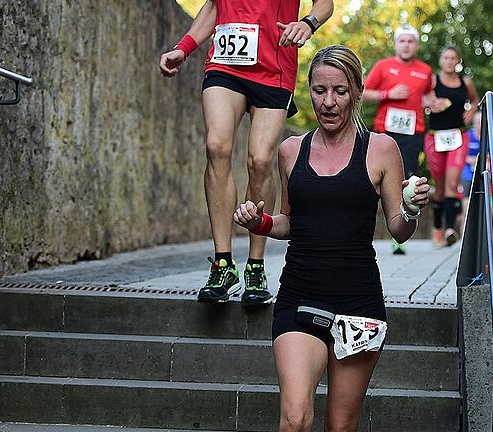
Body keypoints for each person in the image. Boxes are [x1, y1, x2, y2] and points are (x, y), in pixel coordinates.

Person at [233, 46, 430, 432]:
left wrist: (410, 208)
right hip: (299, 296)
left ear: (357, 91)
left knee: (340, 426)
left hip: (359, 304)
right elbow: (289, 222)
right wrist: (259, 222)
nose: (328, 102)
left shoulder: (382, 149)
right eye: (319, 90)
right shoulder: (291, 151)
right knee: (294, 418)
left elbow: (398, 228)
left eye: (339, 91)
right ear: (308, 91)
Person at [159, 0, 334, 306]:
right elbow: (214, 6)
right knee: (216, 146)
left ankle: (255, 265)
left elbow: (325, 3)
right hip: (225, 63)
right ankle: (223, 263)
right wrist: (184, 48)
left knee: (260, 161)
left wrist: (307, 23)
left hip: (273, 66)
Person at [363, 24, 434, 255]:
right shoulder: (384, 66)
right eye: (402, 41)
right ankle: (366, 232)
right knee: (377, 181)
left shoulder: (425, 70)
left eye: (410, 41)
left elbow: (428, 98)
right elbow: (361, 92)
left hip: (413, 133)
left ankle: (400, 237)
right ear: (396, 44)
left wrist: (435, 103)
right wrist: (388, 94)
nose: (406, 45)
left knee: (409, 181)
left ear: (416, 45)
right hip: (385, 131)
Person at [424, 46, 479, 246]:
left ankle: (449, 230)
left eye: (453, 58)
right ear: (440, 61)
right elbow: (422, 99)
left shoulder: (466, 82)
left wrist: (471, 111)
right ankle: (437, 228)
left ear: (458, 61)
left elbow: (475, 100)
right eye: (446, 57)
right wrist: (430, 104)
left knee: (451, 183)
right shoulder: (432, 81)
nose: (449, 61)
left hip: (458, 136)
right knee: (438, 188)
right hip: (435, 137)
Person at [460, 110, 482, 223]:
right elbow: (461, 155)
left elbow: (490, 156)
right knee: (466, 202)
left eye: (481, 122)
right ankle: (464, 230)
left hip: (482, 173)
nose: (479, 125)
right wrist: (472, 160)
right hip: (467, 173)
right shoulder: (468, 136)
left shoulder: (488, 137)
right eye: (477, 122)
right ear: (473, 123)